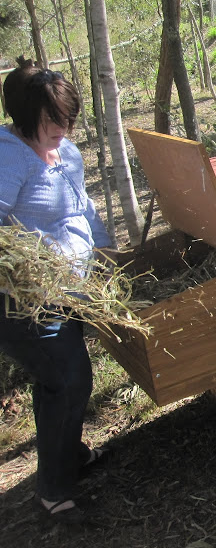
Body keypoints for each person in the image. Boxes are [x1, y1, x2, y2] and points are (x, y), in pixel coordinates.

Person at [0, 59, 114, 523]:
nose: (61, 131)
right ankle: (54, 492)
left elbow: (81, 207)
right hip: (25, 298)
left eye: (66, 120)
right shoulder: (8, 156)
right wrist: (31, 269)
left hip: (69, 290)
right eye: (51, 122)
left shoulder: (65, 152)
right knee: (68, 379)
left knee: (58, 379)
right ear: (25, 117)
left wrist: (106, 252)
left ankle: (65, 454)